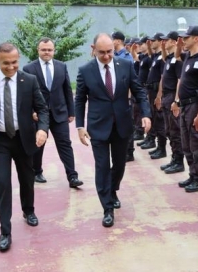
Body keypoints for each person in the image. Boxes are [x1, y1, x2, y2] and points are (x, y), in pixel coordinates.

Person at [0, 43, 49, 252]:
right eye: (6, 63)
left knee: (27, 179)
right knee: (3, 182)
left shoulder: (29, 80)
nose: (10, 67)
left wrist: (42, 129)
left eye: (14, 62)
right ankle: (5, 231)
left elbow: (42, 109)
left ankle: (29, 211)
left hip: (24, 138)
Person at [75, 33, 151, 228]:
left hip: (122, 124)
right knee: (101, 166)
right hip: (97, 126)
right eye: (102, 53)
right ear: (93, 49)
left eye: (109, 51)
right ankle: (107, 208)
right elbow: (80, 99)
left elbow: (139, 90)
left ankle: (113, 189)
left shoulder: (125, 65)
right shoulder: (85, 70)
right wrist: (80, 126)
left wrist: (146, 113)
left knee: (119, 164)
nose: (107, 56)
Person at [23, 38, 83, 188]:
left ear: (54, 50)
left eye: (49, 50)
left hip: (60, 113)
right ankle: (37, 171)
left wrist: (71, 111)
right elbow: (25, 94)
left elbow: (67, 90)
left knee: (65, 144)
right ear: (38, 50)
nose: (46, 52)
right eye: (43, 50)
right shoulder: (29, 68)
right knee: (38, 144)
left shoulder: (61, 66)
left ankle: (72, 176)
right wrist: (31, 111)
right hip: (39, 115)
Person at [173, 26, 198, 193]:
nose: (184, 40)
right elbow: (175, 55)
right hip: (185, 106)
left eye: (187, 38)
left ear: (196, 39)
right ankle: (192, 174)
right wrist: (180, 45)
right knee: (186, 143)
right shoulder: (188, 56)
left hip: (195, 106)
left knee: (197, 142)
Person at [157, 31, 185, 174]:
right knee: (169, 130)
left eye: (167, 40)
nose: (164, 42)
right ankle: (174, 158)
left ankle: (179, 161)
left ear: (174, 42)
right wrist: (162, 48)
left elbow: (180, 80)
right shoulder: (169, 58)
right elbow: (163, 57)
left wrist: (177, 100)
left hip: (173, 96)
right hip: (167, 96)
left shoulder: (178, 60)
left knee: (175, 131)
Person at [146, 32, 167, 160]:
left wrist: (159, 95)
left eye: (154, 40)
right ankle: (158, 146)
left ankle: (162, 148)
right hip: (151, 91)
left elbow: (162, 77)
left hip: (157, 92)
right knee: (154, 118)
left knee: (160, 121)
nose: (151, 42)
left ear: (159, 42)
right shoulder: (156, 57)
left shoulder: (162, 58)